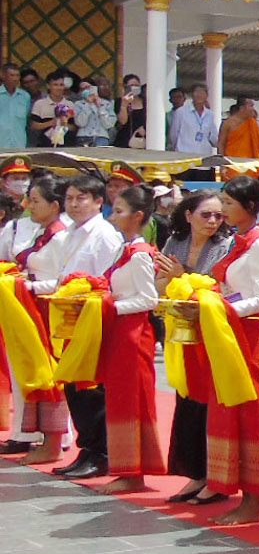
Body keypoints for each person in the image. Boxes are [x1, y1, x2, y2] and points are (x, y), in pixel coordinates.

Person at [199, 176, 259, 525]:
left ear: (248, 207)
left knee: (251, 413)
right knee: (232, 410)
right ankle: (240, 490)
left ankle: (255, 499)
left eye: (228, 203)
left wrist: (222, 307)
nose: (222, 209)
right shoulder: (239, 241)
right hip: (232, 333)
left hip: (250, 337)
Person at [41, 174, 123, 480]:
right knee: (74, 386)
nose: (74, 204)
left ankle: (100, 452)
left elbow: (105, 280)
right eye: (71, 199)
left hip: (91, 317)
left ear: (98, 201)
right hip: (70, 316)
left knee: (91, 389)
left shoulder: (104, 234)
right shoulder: (70, 233)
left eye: (81, 198)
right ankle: (86, 447)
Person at [157, 191, 232, 502]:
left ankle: (214, 475)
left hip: (210, 330)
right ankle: (194, 473)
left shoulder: (224, 246)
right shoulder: (175, 243)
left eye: (218, 215)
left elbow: (215, 286)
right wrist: (177, 280)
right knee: (185, 399)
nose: (213, 221)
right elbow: (160, 279)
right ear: (188, 215)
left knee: (208, 404)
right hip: (178, 326)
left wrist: (182, 276)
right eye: (206, 215)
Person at [93, 186, 162, 494]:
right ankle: (127, 468)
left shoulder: (140, 255)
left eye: (120, 211)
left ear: (138, 217)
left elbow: (148, 299)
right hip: (121, 331)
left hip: (134, 334)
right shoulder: (125, 250)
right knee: (120, 400)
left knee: (132, 401)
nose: (113, 215)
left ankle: (133, 472)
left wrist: (109, 306)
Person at [7, 177, 68, 464]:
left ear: (54, 205)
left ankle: (56, 436)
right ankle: (32, 432)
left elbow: (60, 281)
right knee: (27, 372)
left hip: (44, 311)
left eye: (36, 201)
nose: (29, 206)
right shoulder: (42, 233)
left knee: (46, 374)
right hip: (28, 307)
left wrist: (23, 286)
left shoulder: (61, 236)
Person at [29, 72, 74, 148]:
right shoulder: (40, 104)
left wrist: (64, 124)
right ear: (48, 86)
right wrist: (51, 123)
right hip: (44, 145)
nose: (59, 88)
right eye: (55, 85)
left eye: (61, 85)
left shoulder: (70, 104)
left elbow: (74, 127)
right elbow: (33, 126)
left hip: (66, 145)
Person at [169, 84, 217, 155]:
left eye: (202, 93)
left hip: (203, 153)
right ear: (192, 95)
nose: (199, 95)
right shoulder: (181, 112)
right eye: (197, 92)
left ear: (206, 96)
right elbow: (174, 134)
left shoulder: (210, 114)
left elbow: (213, 135)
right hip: (184, 153)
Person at [71, 81, 115, 147]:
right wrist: (88, 105)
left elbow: (108, 125)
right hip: (83, 137)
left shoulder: (107, 103)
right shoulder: (78, 104)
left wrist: (100, 107)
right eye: (82, 89)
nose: (86, 90)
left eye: (88, 87)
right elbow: (80, 123)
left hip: (101, 137)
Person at [0, 64, 32, 149]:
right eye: (12, 75)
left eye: (17, 75)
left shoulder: (25, 96)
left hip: (19, 143)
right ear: (3, 76)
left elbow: (26, 117)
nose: (15, 79)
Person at [114, 74, 144, 148]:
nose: (134, 87)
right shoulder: (119, 101)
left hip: (141, 138)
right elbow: (122, 121)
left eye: (137, 85)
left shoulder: (145, 101)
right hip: (125, 138)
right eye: (132, 85)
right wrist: (124, 105)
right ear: (126, 87)